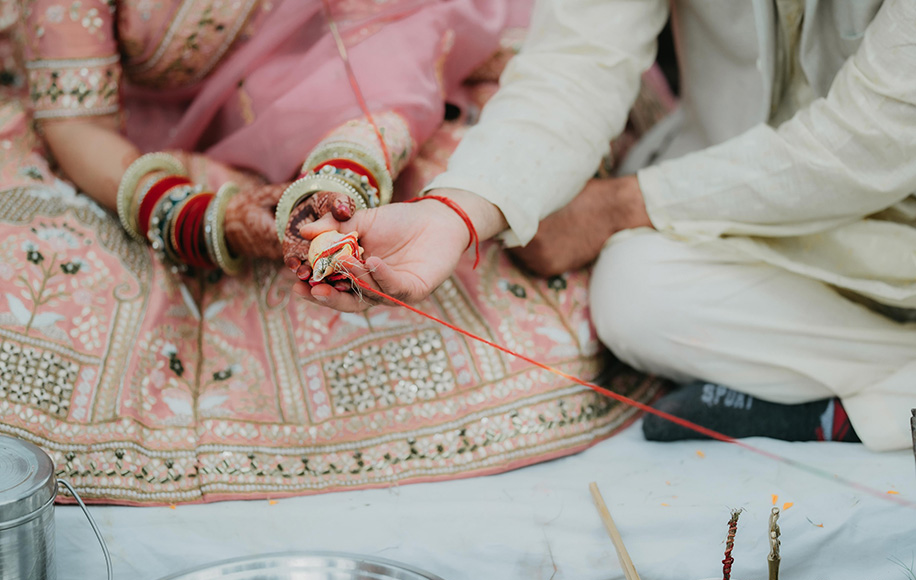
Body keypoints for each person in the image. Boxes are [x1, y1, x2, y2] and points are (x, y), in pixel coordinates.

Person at [0, 0, 677, 503]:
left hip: (408, 93)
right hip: (149, 148)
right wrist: (210, 220)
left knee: (506, 225)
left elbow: (405, 33)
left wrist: (347, 174)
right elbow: (79, 125)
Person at [293, 0, 916, 452]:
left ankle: (860, 405)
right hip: (727, 193)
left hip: (895, 224)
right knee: (635, 295)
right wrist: (456, 211)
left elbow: (865, 144)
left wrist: (619, 204)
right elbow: (578, 64)